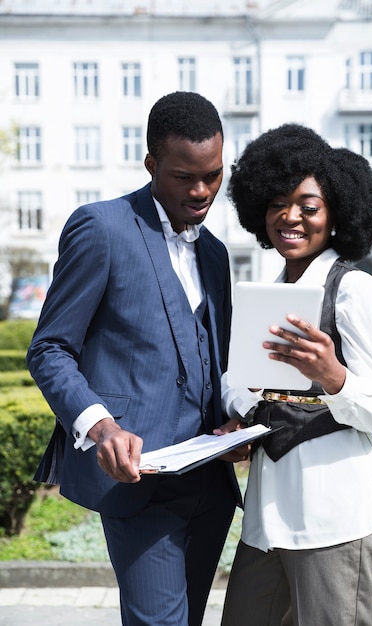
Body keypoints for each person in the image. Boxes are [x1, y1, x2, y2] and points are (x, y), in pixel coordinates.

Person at [27, 91, 248, 626]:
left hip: (210, 485)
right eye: (182, 177)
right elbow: (50, 348)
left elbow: (212, 360)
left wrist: (239, 420)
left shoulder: (216, 253)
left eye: (213, 175)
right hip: (136, 483)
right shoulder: (101, 227)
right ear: (150, 164)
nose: (201, 192)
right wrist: (101, 427)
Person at [217, 123, 372, 626]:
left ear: (337, 215)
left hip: (337, 516)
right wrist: (242, 415)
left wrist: (334, 376)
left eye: (308, 205)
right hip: (267, 518)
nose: (291, 216)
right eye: (278, 201)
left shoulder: (355, 291)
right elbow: (237, 380)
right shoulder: (265, 291)